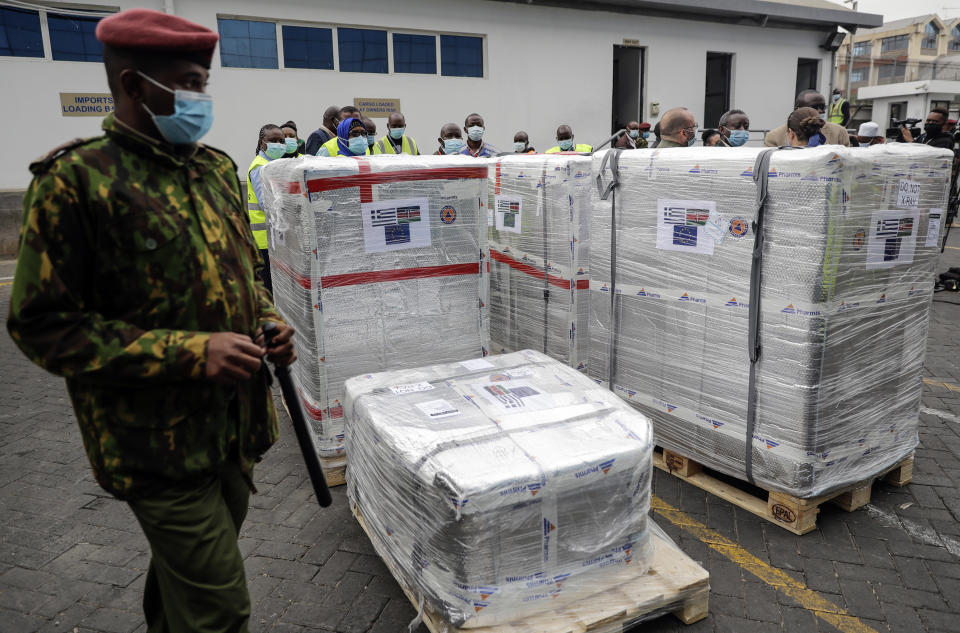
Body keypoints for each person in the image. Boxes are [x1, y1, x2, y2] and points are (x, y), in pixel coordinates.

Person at [6, 9, 296, 633]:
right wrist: (191, 353)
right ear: (135, 86)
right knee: (220, 608)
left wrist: (269, 320)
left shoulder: (215, 170)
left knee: (185, 586)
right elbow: (41, 324)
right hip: (156, 443)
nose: (200, 98)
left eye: (204, 85)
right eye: (189, 83)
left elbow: (244, 273)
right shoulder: (77, 183)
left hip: (234, 429)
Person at [247, 123, 286, 291]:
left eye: (281, 140)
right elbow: (266, 204)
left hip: (276, 237)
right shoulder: (260, 167)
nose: (278, 144)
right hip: (265, 239)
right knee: (270, 288)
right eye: (273, 140)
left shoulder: (277, 164)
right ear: (262, 142)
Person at [765, 90, 850, 147]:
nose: (820, 111)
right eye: (814, 107)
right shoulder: (774, 137)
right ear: (797, 109)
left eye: (822, 107)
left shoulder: (839, 132)